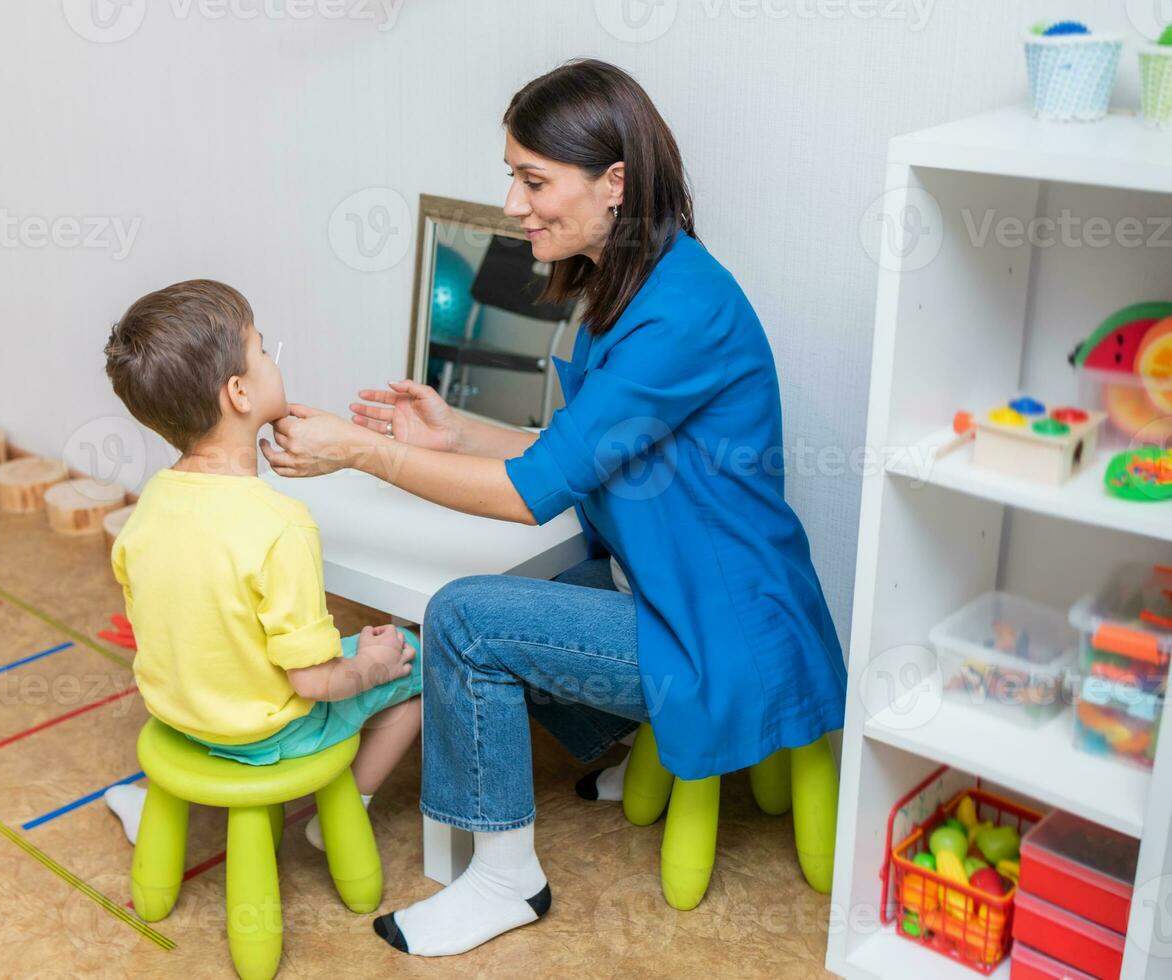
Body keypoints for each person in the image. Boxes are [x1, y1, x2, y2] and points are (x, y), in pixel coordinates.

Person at [259, 60, 848, 957]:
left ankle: (502, 880)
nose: (512, 202)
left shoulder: (674, 317)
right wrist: (453, 431)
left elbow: (533, 497)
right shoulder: (638, 281)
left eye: (533, 179)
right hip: (690, 592)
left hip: (718, 627)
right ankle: (625, 741)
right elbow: (580, 455)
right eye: (514, 174)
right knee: (533, 586)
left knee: (464, 619)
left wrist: (363, 450)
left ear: (614, 183)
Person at [100, 279, 423, 853]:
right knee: (422, 658)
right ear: (240, 394)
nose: (274, 361)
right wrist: (372, 664)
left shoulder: (147, 505)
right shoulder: (281, 525)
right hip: (265, 731)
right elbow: (315, 681)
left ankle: (154, 801)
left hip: (179, 711)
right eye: (262, 350)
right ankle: (344, 810)